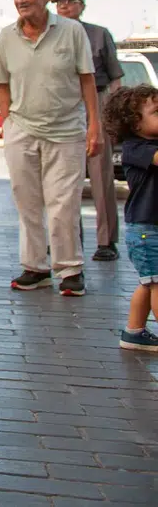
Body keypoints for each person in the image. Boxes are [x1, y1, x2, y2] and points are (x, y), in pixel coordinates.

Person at [0, 0, 100, 297]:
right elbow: (1, 83)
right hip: (21, 130)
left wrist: (94, 126)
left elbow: (87, 81)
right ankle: (35, 267)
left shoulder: (72, 31)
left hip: (67, 131)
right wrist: (6, 122)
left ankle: (69, 269)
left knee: (63, 204)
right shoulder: (6, 36)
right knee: (26, 202)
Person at [53, 0, 125, 262]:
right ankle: (68, 239)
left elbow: (115, 75)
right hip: (63, 103)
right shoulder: (52, 34)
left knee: (100, 177)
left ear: (82, 5)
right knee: (62, 180)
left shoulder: (98, 34)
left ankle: (106, 241)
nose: (63, 7)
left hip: (96, 101)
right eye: (59, 3)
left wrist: (109, 112)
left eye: (69, 3)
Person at [103, 86, 158, 351]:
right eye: (157, 112)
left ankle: (133, 332)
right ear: (134, 124)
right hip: (147, 231)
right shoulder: (136, 148)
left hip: (150, 228)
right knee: (157, 283)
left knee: (149, 283)